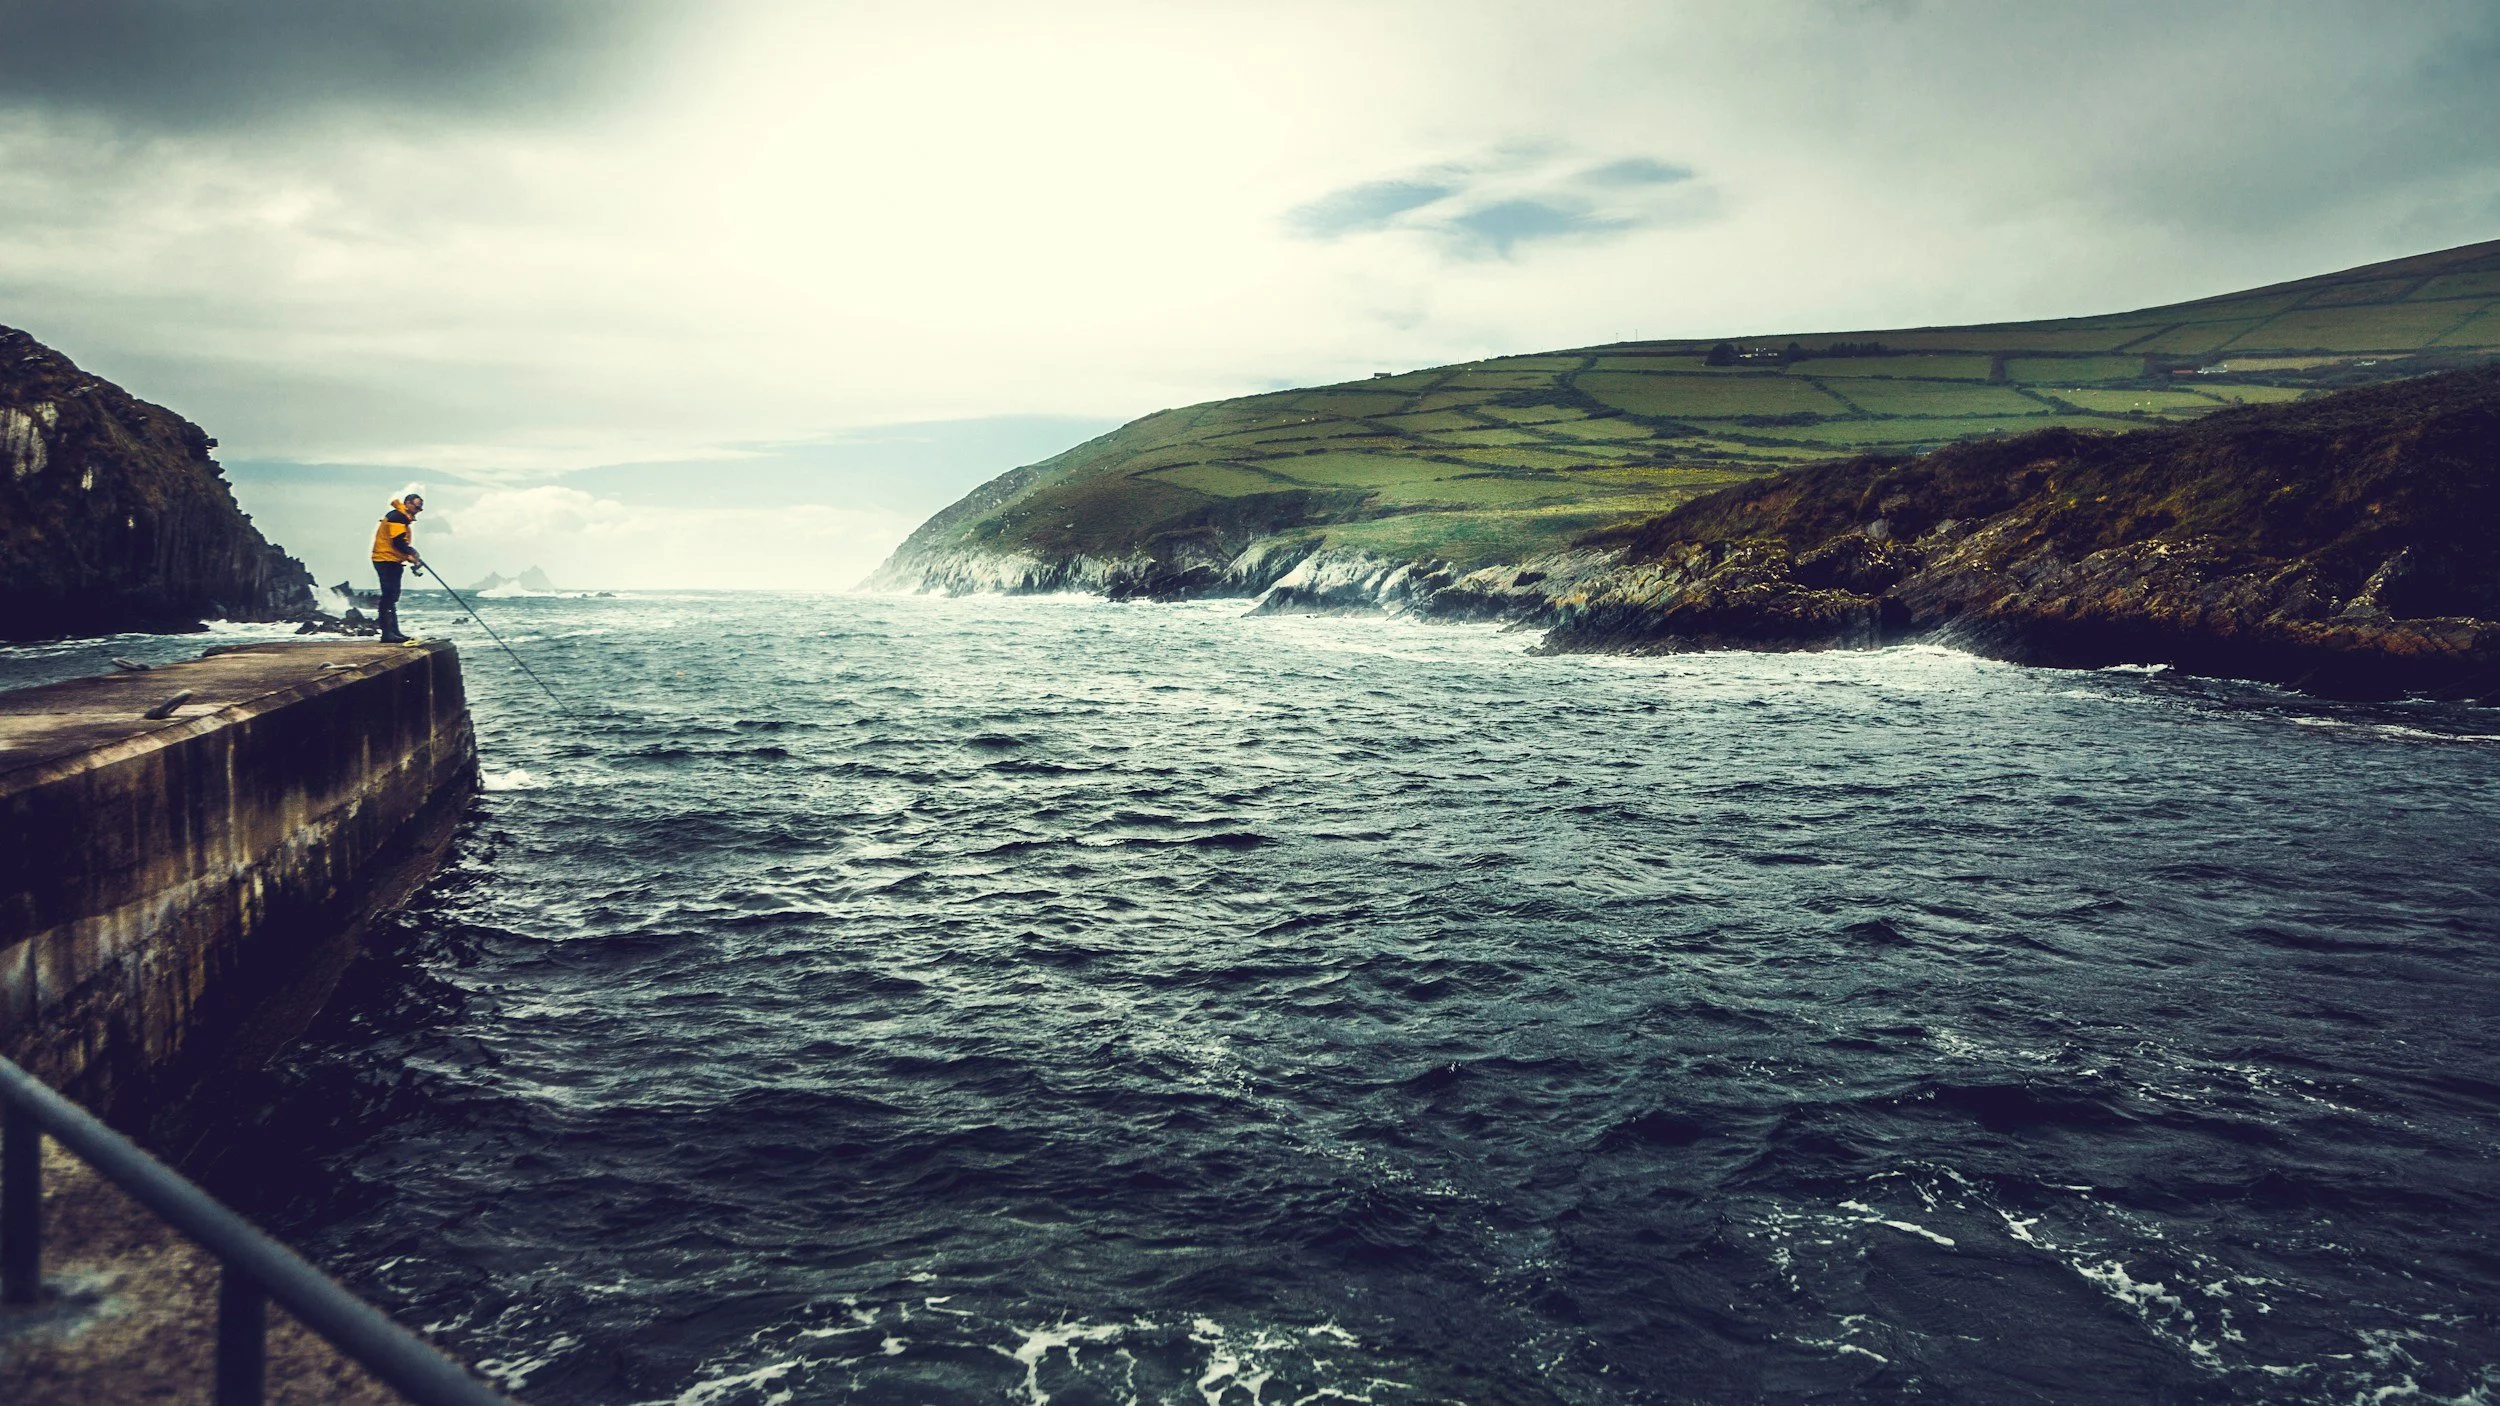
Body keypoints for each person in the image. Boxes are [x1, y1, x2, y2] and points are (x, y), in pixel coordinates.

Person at [369, 490, 426, 642]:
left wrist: (411, 555)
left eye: (420, 508)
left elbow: (400, 543)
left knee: (392, 596)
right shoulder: (397, 517)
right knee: (388, 596)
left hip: (391, 560)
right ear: (407, 504)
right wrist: (411, 554)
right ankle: (387, 634)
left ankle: (394, 632)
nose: (418, 511)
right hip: (385, 560)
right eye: (416, 507)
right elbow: (398, 542)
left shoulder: (402, 517)